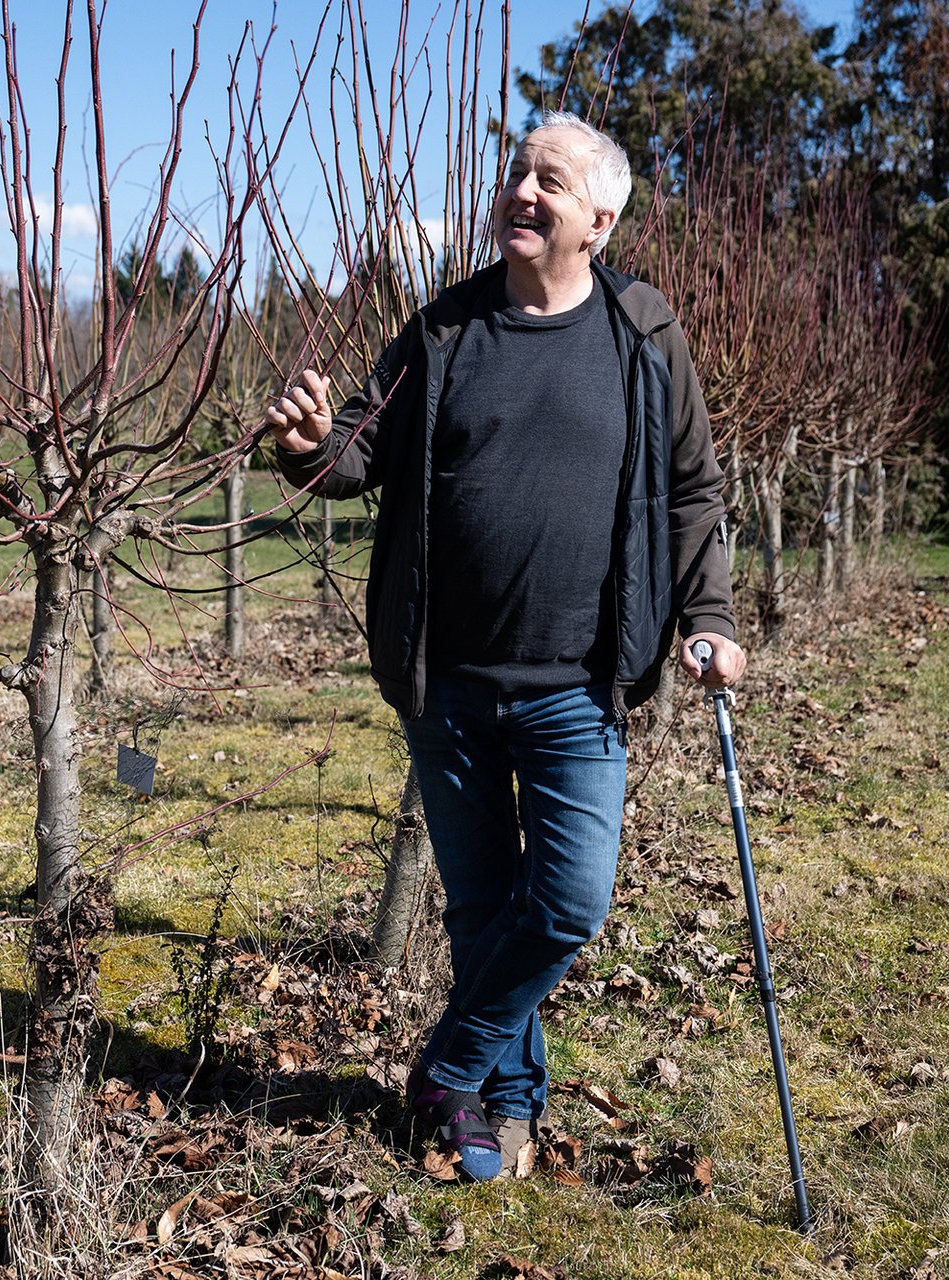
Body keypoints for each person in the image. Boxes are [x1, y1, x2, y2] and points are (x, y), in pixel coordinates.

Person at [264, 111, 745, 1181]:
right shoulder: (444, 329)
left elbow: (692, 492)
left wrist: (708, 617)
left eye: (550, 181)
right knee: (484, 909)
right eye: (517, 172)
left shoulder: (643, 333)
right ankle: (501, 1108)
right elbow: (358, 450)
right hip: (449, 681)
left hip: (580, 683)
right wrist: (307, 448)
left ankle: (448, 1062)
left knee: (567, 901)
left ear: (599, 220)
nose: (522, 191)